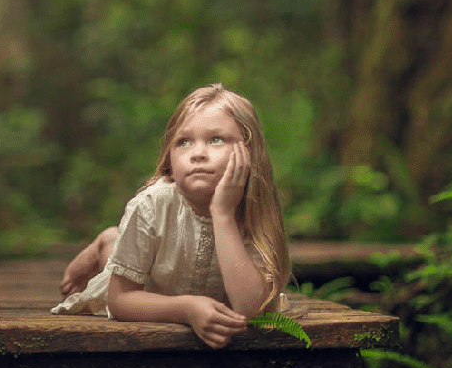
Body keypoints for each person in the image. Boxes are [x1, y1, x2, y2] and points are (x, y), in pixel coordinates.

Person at [51, 83, 291, 349]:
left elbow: (251, 310)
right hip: (149, 293)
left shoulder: (256, 209)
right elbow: (120, 300)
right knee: (116, 269)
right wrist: (187, 308)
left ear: (249, 152)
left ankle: (113, 239)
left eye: (216, 139)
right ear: (170, 162)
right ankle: (107, 244)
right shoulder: (152, 205)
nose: (198, 154)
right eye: (184, 142)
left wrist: (222, 213)